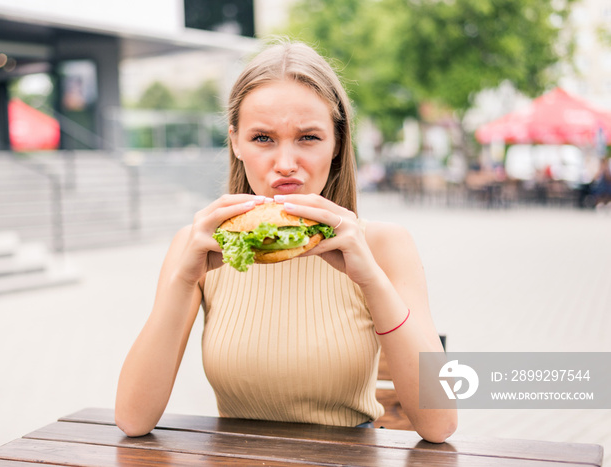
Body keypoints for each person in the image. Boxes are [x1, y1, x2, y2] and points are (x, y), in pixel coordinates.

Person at [115, 40, 457, 443]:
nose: (285, 163)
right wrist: (182, 281)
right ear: (236, 142)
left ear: (337, 143)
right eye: (263, 138)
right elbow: (133, 420)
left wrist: (372, 281)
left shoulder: (384, 244)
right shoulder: (199, 246)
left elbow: (440, 425)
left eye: (308, 138)